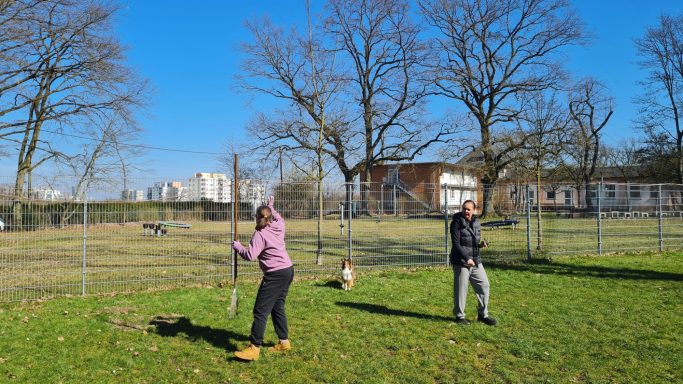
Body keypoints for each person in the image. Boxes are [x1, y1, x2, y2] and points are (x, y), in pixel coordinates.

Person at [232, 195, 294, 361]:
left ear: (257, 217)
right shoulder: (279, 226)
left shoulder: (260, 234)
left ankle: (254, 347)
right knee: (277, 307)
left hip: (275, 275)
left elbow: (251, 255)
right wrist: (271, 206)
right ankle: (284, 342)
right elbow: (278, 217)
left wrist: (238, 247)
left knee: (260, 310)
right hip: (288, 270)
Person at [449, 200, 497, 326]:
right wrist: (466, 258)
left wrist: (480, 245)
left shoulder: (476, 222)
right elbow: (456, 243)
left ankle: (483, 314)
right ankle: (459, 316)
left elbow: (472, 242)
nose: (466, 211)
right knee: (461, 289)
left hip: (475, 260)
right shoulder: (456, 222)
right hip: (460, 261)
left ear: (474, 210)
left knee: (484, 285)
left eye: (469, 209)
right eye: (464, 209)